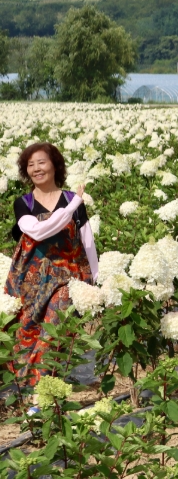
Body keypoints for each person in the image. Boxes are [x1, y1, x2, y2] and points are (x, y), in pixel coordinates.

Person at [5, 142, 99, 389]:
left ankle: (42, 390)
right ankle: (26, 388)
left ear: (55, 166)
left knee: (54, 328)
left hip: (67, 276)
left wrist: (95, 279)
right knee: (25, 332)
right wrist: (71, 207)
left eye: (41, 162)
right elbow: (37, 230)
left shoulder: (71, 199)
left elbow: (87, 241)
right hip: (29, 277)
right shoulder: (23, 203)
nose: (36, 168)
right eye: (30, 165)